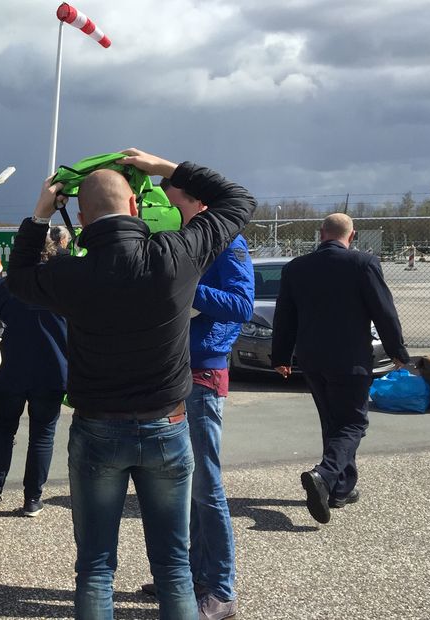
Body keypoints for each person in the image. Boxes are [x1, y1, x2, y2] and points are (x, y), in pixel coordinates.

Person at [6, 148, 255, 619]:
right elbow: (238, 200)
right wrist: (168, 169)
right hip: (167, 424)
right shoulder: (177, 254)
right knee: (174, 569)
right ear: (137, 207)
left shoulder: (70, 273)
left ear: (80, 216)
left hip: (98, 428)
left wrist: (40, 213)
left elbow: (18, 279)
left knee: (96, 569)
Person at [140, 179, 255, 620]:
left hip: (204, 374)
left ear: (196, 201)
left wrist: (187, 286)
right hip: (171, 372)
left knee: (207, 485)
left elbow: (243, 305)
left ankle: (222, 590)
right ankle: (189, 577)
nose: (166, 206)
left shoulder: (228, 241)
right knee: (183, 483)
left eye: (173, 199)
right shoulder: (175, 241)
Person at [271, 213, 410, 525]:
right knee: (353, 425)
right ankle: (324, 475)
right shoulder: (363, 264)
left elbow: (285, 316)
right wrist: (398, 352)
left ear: (321, 234)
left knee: (333, 423)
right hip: (350, 360)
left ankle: (339, 490)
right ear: (353, 235)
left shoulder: (297, 267)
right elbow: (384, 312)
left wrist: (280, 356)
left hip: (311, 359)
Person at [0, 233, 68, 518]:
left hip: (9, 369)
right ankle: (32, 498)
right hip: (52, 370)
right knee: (42, 434)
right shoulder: (63, 287)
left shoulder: (7, 285)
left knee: (3, 429)